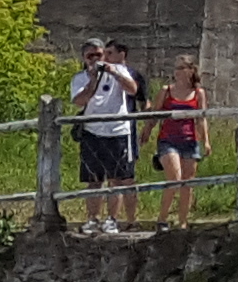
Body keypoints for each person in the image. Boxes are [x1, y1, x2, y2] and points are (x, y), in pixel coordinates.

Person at [71, 40, 140, 233]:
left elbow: (132, 89)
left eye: (98, 55)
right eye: (90, 56)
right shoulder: (80, 78)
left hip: (117, 132)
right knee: (93, 179)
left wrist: (113, 72)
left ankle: (112, 219)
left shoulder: (118, 70)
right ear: (84, 59)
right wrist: (93, 80)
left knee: (116, 179)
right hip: (92, 132)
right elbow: (79, 101)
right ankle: (93, 219)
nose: (95, 59)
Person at [152, 61, 210, 227]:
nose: (177, 71)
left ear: (190, 71)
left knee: (187, 182)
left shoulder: (198, 93)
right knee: (174, 178)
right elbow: (156, 113)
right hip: (168, 139)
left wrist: (205, 140)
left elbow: (201, 118)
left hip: (189, 140)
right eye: (176, 68)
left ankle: (183, 222)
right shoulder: (166, 91)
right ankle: (162, 219)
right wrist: (148, 130)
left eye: (181, 68)